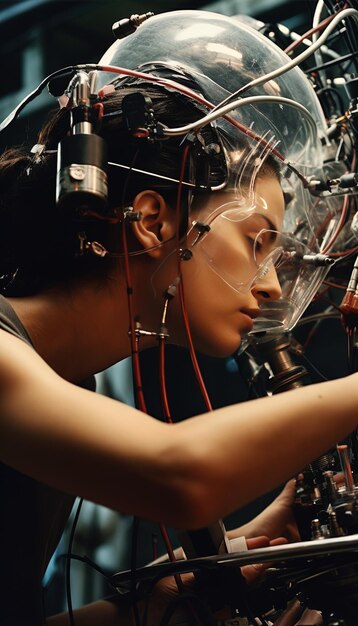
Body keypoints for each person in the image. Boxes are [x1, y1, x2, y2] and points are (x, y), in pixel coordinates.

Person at [0, 9, 356, 626]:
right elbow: (179, 474)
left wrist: (180, 597)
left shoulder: (64, 383)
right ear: (152, 220)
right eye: (257, 242)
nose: (271, 286)